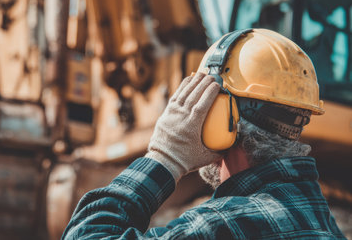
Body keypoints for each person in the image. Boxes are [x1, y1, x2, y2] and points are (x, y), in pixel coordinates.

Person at [62, 29, 345, 239]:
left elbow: (85, 234)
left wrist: (164, 156)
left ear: (219, 116)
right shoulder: (322, 220)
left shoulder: (219, 225)